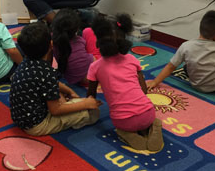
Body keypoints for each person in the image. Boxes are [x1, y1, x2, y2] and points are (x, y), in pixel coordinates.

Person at [87, 14, 163, 152]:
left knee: (122, 126)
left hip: (123, 121)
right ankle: (153, 126)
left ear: (98, 43)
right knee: (147, 115)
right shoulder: (132, 59)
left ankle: (127, 134)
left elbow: (91, 96)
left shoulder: (95, 67)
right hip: (148, 113)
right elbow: (144, 90)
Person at [10, 22, 101, 136]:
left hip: (21, 118)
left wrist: (69, 91)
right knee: (93, 112)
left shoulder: (25, 62)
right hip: (37, 126)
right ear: (51, 45)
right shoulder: (46, 72)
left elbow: (49, 83)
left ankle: (68, 103)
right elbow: (56, 110)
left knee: (62, 97)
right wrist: (86, 104)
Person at [51, 9, 94, 85]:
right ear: (76, 29)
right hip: (88, 78)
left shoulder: (52, 42)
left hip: (70, 77)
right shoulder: (80, 40)